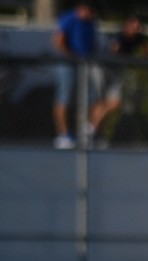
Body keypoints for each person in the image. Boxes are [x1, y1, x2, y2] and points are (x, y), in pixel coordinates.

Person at [52, 0, 107, 149]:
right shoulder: (69, 18)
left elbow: (93, 43)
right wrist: (73, 57)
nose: (92, 14)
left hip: (86, 64)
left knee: (93, 98)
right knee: (64, 97)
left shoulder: (90, 22)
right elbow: (59, 41)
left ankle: (88, 133)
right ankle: (63, 134)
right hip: (68, 64)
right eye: (91, 11)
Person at [91, 15, 148, 145]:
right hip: (103, 68)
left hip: (117, 72)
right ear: (127, 26)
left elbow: (146, 48)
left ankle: (92, 128)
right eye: (133, 27)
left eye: (138, 28)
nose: (135, 30)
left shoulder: (138, 37)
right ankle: (95, 134)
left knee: (115, 104)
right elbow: (115, 49)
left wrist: (144, 59)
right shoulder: (120, 36)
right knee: (100, 101)